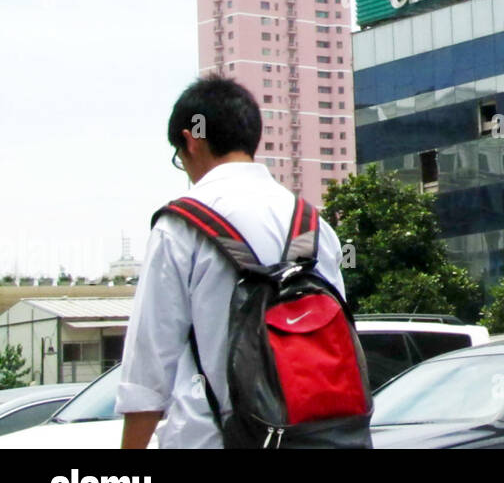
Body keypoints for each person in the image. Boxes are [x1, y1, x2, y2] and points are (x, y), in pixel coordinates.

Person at [115, 75, 346, 448]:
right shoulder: (313, 225)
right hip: (319, 437)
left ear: (191, 140)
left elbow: (149, 368)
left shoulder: (179, 227)